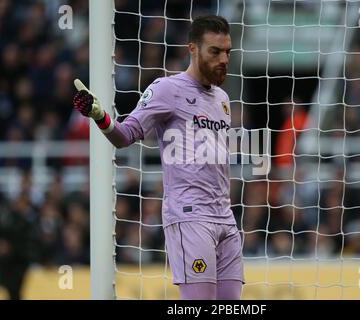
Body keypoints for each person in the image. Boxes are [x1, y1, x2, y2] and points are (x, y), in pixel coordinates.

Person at [72, 15, 244, 300]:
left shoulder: (223, 99)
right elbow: (125, 135)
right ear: (193, 49)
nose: (224, 59)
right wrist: (100, 116)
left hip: (225, 218)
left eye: (227, 52)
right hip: (190, 217)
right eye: (215, 51)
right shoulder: (167, 89)